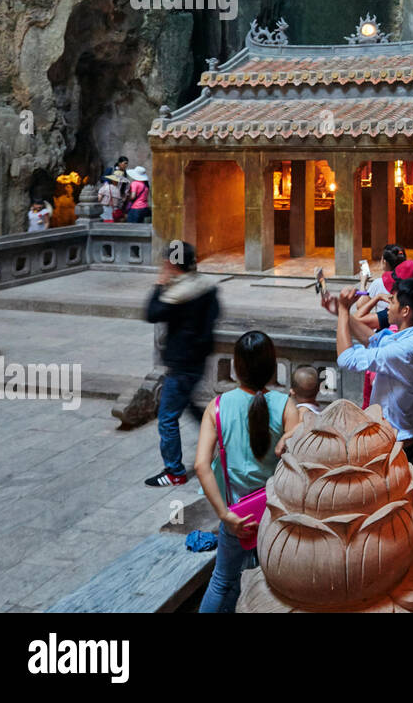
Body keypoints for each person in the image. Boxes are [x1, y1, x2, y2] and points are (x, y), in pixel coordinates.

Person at [194, 331, 299, 613]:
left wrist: (225, 516)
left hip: (237, 517)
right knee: (275, 584)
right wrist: (292, 434)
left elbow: (201, 465)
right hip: (277, 516)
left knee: (222, 580)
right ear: (272, 367)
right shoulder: (286, 406)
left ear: (236, 368)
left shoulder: (217, 408)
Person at [335, 278, 413, 501]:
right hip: (401, 436)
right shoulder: (408, 336)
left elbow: (346, 358)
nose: (387, 306)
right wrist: (341, 313)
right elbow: (371, 339)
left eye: (392, 302)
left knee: (397, 512)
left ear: (405, 310)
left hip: (401, 444)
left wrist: (343, 311)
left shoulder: (408, 348)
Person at [143, 241, 220, 487]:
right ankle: (221, 442)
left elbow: (151, 313)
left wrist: (159, 283)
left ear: (172, 263)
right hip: (198, 358)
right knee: (190, 405)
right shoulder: (206, 287)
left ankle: (174, 471)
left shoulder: (180, 294)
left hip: (181, 362)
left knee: (167, 417)